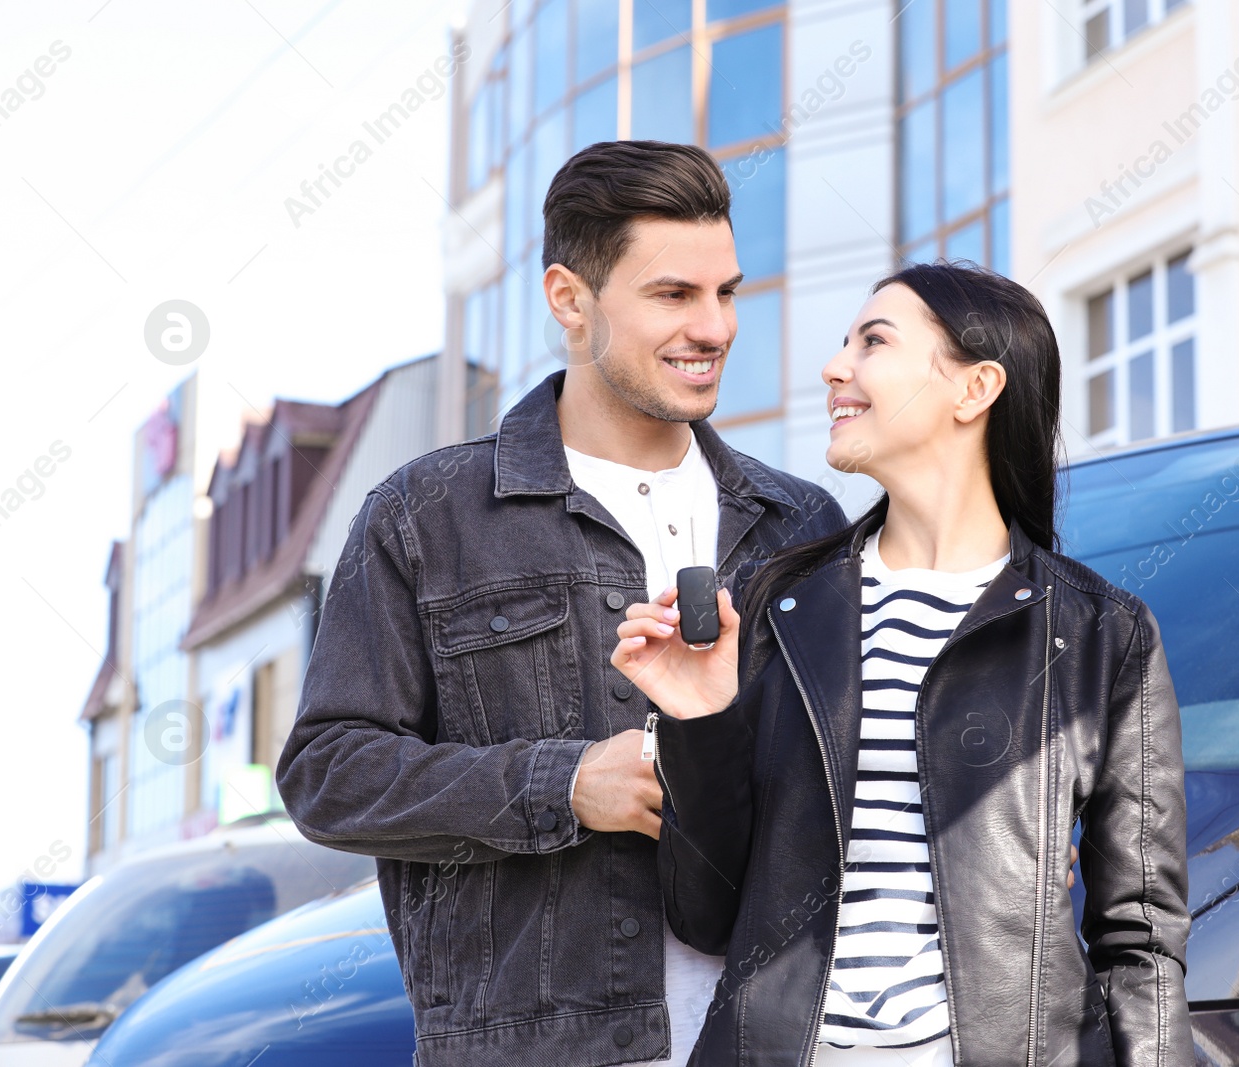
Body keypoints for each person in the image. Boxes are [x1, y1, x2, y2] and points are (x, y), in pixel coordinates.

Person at [275, 140, 851, 1067]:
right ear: (569, 299)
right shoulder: (428, 517)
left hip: (774, 1041)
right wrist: (567, 783)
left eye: (727, 292)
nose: (715, 327)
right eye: (673, 295)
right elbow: (329, 774)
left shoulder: (801, 524)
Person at [612, 260, 1194, 1066]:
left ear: (974, 388)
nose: (834, 367)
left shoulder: (1100, 633)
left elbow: (1142, 936)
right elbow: (707, 913)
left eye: (873, 341)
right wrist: (698, 719)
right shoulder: (780, 604)